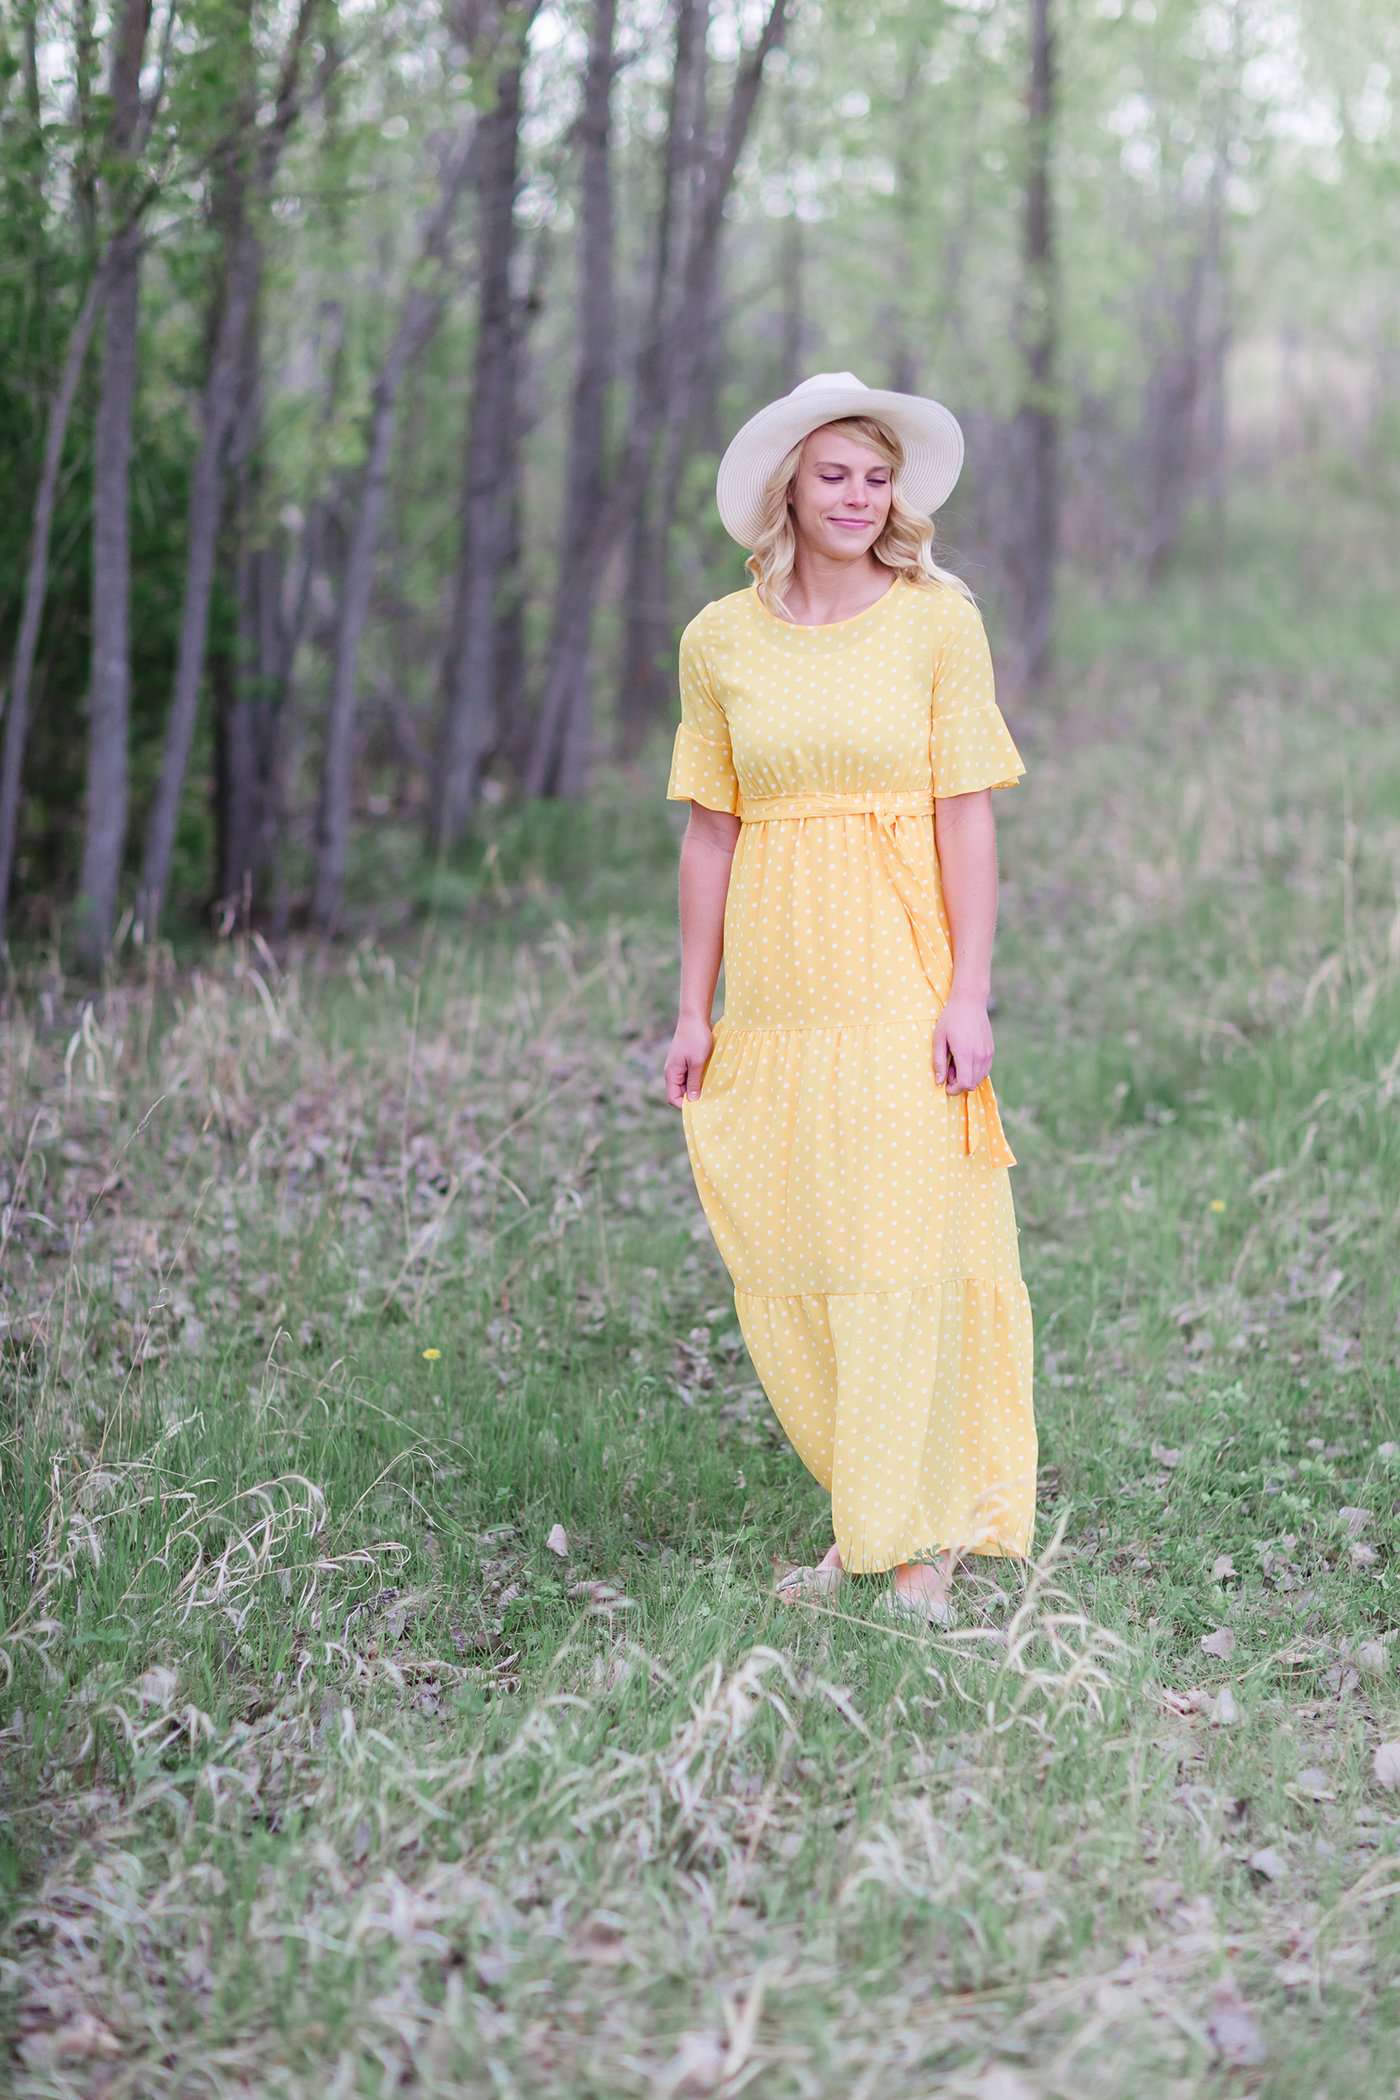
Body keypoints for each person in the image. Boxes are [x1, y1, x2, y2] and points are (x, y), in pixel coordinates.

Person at [662, 371, 1037, 1626]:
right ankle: (862, 1517)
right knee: (805, 1246)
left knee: (896, 1247)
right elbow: (708, 835)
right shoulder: (718, 639)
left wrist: (967, 992)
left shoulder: (935, 621)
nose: (858, 497)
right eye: (834, 474)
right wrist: (692, 1008)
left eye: (876, 477)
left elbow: (965, 815)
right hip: (774, 983)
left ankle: (918, 1542)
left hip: (896, 968)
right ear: (786, 489)